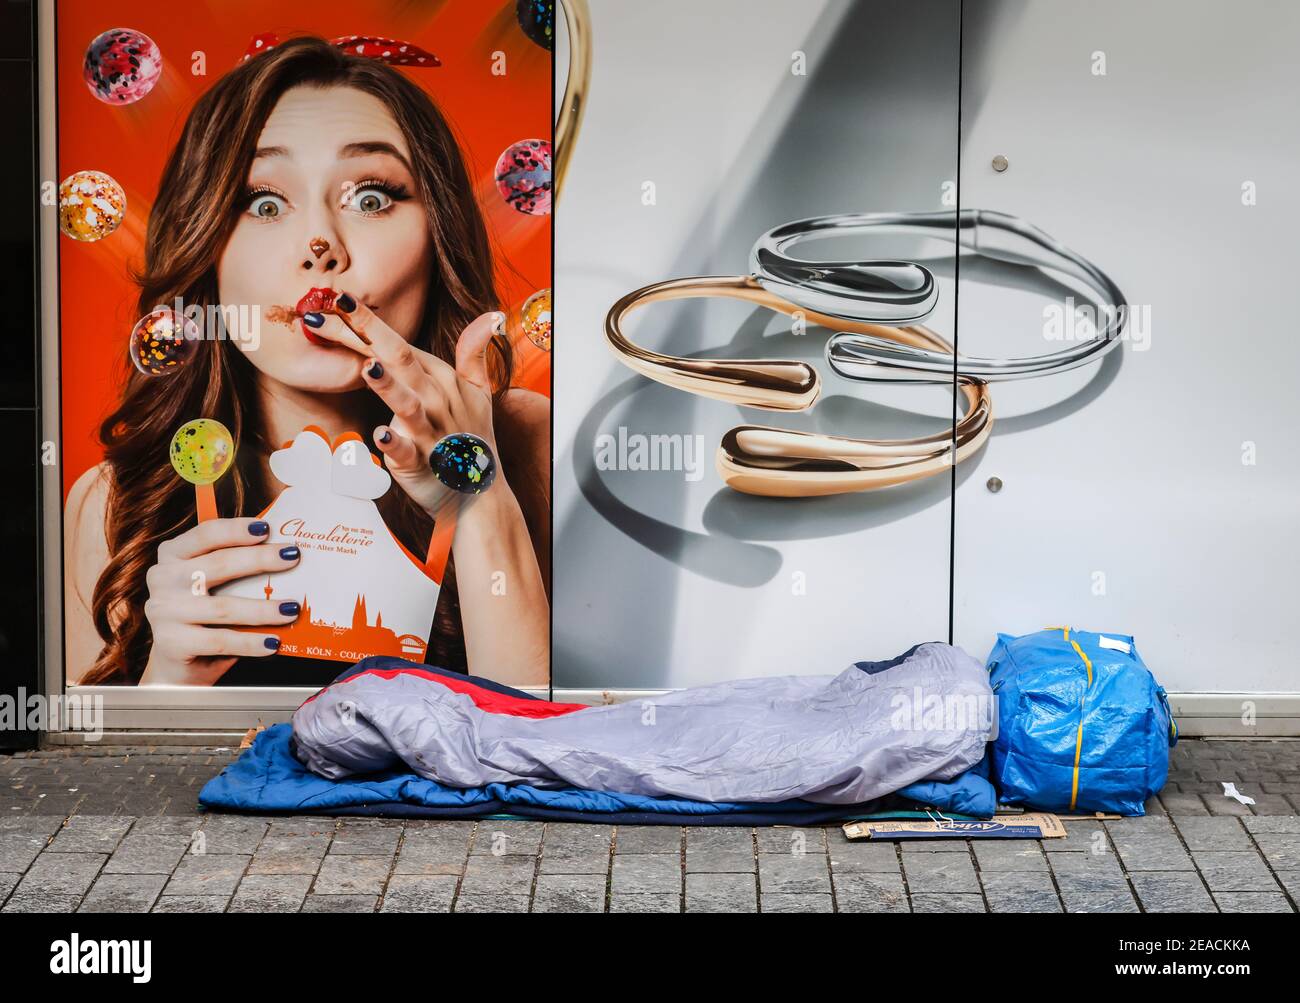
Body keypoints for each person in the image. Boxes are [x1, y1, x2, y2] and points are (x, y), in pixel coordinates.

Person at [64, 37, 550, 688]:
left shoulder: (526, 441)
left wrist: (478, 493)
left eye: (372, 196)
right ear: (206, 247)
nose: (319, 243)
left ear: (441, 235)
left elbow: (557, 760)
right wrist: (166, 684)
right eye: (264, 201)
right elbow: (87, 787)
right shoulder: (120, 500)